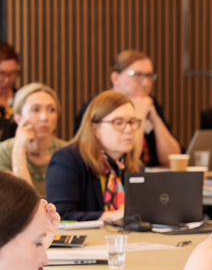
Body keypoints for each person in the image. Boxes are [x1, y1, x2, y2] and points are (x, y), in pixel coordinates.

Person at [46, 90, 142, 222]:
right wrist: (113, 216)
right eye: (118, 122)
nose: (128, 129)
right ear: (95, 129)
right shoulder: (68, 160)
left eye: (132, 122)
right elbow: (61, 215)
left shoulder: (133, 165)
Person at [74, 49, 179, 167]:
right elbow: (131, 161)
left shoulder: (150, 103)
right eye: (137, 75)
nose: (145, 83)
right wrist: (138, 116)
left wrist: (155, 118)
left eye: (149, 76)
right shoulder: (98, 108)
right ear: (115, 78)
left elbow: (172, 159)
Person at [0, 83, 67, 196]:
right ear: (18, 118)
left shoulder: (68, 151)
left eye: (51, 110)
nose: (44, 117)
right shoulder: (3, 153)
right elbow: (21, 202)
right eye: (35, 110)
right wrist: (18, 150)